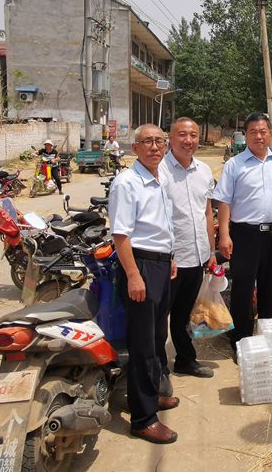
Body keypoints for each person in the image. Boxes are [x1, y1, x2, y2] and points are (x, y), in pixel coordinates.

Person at [109, 123, 180, 444]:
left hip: (161, 264)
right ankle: (143, 418)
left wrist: (170, 258)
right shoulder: (127, 183)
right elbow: (121, 234)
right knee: (143, 345)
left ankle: (150, 394)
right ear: (134, 148)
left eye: (159, 141)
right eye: (147, 142)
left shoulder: (159, 177)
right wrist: (134, 274)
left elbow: (160, 225)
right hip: (140, 265)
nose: (154, 147)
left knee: (156, 337)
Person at [214, 113, 272, 353]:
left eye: (263, 131)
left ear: (270, 134)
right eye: (253, 132)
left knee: (271, 288)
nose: (259, 136)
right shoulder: (234, 165)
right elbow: (224, 202)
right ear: (246, 135)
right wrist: (225, 234)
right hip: (245, 235)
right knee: (242, 288)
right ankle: (241, 340)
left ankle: (267, 338)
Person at [159, 118, 217, 379]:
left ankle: (185, 359)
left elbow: (207, 213)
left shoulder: (204, 171)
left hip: (197, 255)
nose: (189, 140)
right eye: (182, 134)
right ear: (170, 138)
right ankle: (159, 368)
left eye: (193, 135)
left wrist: (211, 252)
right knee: (160, 317)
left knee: (184, 314)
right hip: (168, 259)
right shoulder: (158, 170)